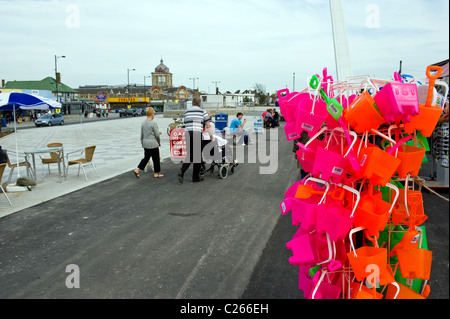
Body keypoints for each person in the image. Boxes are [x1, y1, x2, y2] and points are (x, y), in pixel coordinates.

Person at [178, 96, 214, 183]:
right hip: (197, 134)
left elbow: (185, 124)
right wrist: (211, 137)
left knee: (190, 156)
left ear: (192, 103)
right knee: (197, 157)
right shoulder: (203, 112)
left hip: (187, 134)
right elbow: (208, 126)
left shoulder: (186, 112)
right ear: (200, 103)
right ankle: (195, 178)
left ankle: (182, 171)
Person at [133, 107, 164, 179]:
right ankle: (156, 173)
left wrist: (142, 142)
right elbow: (157, 134)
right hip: (153, 143)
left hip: (145, 142)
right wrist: (158, 141)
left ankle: (137, 169)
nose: (154, 115)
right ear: (152, 114)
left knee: (146, 158)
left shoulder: (143, 123)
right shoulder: (153, 123)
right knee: (155, 158)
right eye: (154, 113)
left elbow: (142, 134)